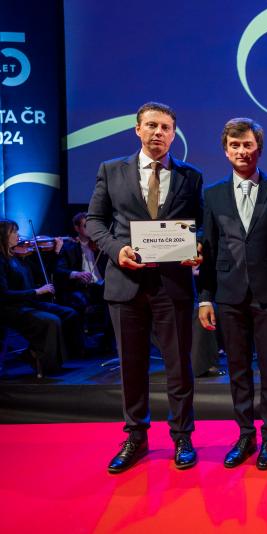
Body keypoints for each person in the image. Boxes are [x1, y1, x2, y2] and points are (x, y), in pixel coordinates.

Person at [86, 102, 203, 474]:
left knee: (179, 366)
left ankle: (182, 436)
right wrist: (115, 249)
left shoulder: (190, 176)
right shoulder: (111, 170)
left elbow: (200, 224)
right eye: (151, 125)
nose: (158, 133)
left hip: (173, 285)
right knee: (131, 366)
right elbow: (94, 221)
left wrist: (198, 244)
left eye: (165, 127)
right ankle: (135, 436)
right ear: (137, 129)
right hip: (126, 283)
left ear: (173, 134)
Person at [198, 118, 267, 469]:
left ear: (259, 148)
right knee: (238, 370)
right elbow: (209, 249)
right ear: (226, 151)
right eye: (235, 146)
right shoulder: (213, 194)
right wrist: (205, 297)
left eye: (248, 145)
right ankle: (245, 434)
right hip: (228, 296)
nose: (242, 151)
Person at [0, 219, 81, 374]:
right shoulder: (2, 260)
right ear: (3, 236)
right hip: (10, 308)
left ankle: (51, 356)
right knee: (51, 320)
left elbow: (45, 271)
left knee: (69, 314)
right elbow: (3, 294)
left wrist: (56, 252)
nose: (18, 235)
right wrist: (37, 292)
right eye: (14, 232)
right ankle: (45, 363)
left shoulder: (17, 257)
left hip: (27, 303)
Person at [55, 212, 110, 348]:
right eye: (86, 226)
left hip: (101, 286)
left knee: (115, 299)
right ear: (77, 228)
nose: (90, 229)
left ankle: (107, 342)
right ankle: (80, 345)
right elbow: (59, 270)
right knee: (78, 301)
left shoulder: (100, 245)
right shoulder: (69, 247)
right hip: (80, 288)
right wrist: (76, 274)